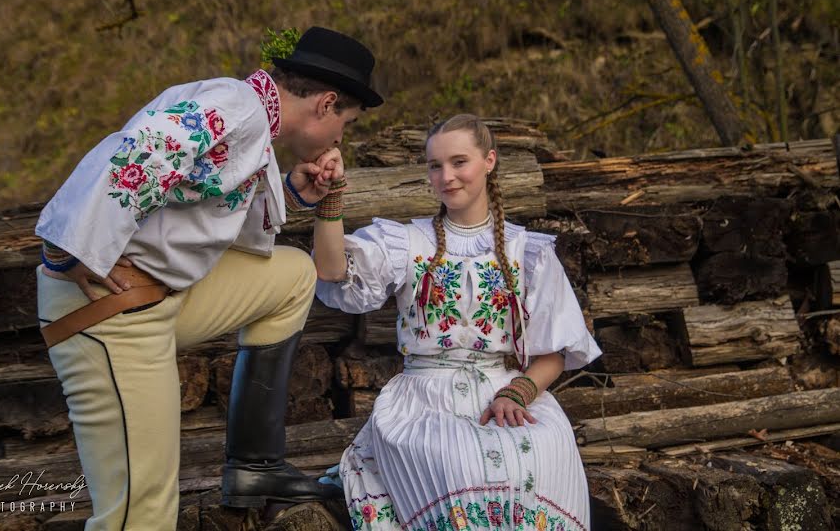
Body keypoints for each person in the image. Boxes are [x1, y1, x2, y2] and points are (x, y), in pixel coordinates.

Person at [34, 26, 383, 530]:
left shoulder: (250, 120)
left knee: (289, 275)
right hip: (110, 316)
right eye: (344, 123)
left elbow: (206, 217)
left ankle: (254, 465)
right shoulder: (237, 106)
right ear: (326, 104)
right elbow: (138, 151)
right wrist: (67, 248)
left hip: (160, 298)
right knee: (142, 512)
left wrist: (295, 192)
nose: (339, 138)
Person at [312, 114, 602, 530]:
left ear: (489, 161)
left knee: (542, 451)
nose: (446, 176)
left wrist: (517, 394)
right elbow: (331, 270)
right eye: (435, 165)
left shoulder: (528, 251)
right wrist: (331, 200)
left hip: (506, 393)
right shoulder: (406, 243)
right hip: (424, 400)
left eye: (459, 162)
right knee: (459, 462)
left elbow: (553, 353)